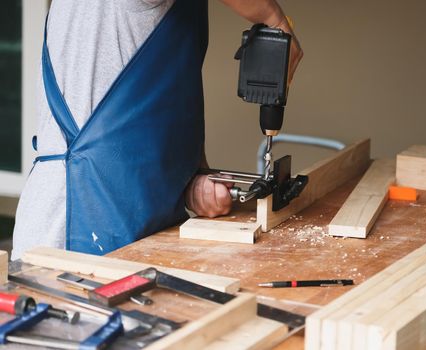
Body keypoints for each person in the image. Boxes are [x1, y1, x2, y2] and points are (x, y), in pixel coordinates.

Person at [12, 0, 302, 259]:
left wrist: (193, 179)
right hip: (73, 230)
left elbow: (160, 101)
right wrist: (273, 17)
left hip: (132, 221)